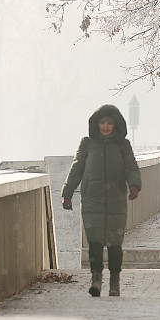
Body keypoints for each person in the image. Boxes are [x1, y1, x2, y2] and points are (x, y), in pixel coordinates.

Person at [60, 104, 142, 298]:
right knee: (94, 242)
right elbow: (77, 168)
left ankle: (115, 282)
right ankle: (96, 279)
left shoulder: (123, 145)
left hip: (115, 201)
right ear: (96, 124)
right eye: (102, 123)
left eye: (109, 123)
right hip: (92, 200)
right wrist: (67, 192)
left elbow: (131, 167)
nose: (105, 127)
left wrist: (134, 185)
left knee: (115, 243)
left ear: (116, 125)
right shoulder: (87, 144)